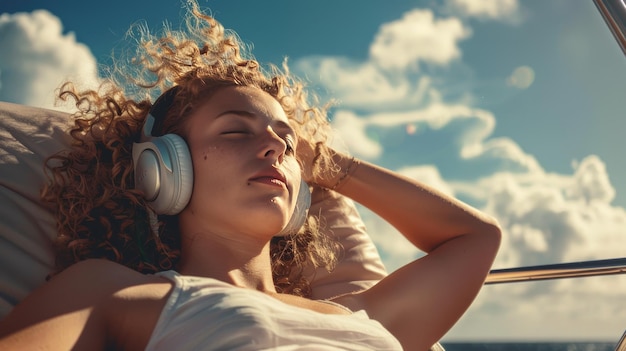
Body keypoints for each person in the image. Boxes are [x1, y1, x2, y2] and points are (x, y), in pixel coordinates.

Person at [0, 2, 501, 350]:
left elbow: (477, 238)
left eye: (284, 140)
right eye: (235, 132)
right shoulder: (116, 295)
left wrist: (324, 164)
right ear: (164, 168)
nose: (273, 147)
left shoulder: (363, 316)